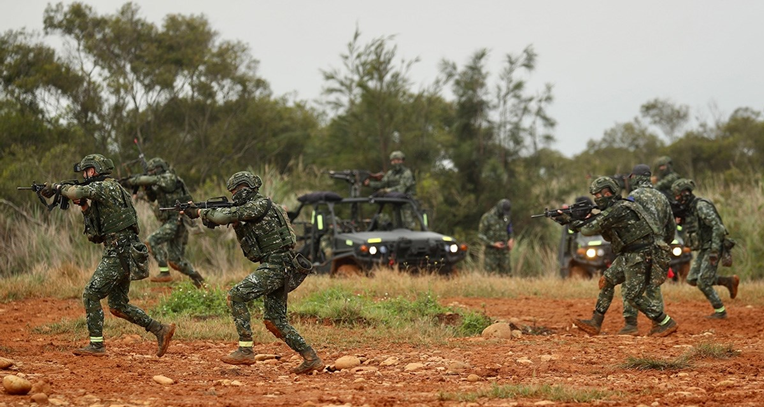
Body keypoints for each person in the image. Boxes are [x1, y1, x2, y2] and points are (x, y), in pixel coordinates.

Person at [184, 171, 323, 374]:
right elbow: (228, 217)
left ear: (249, 188)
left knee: (236, 296)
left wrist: (198, 212)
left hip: (276, 265)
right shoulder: (266, 206)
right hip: (282, 265)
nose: (235, 195)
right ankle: (311, 358)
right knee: (275, 321)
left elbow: (224, 216)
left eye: (237, 190)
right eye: (232, 192)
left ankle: (245, 350)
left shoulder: (258, 205)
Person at [41, 154, 176, 356]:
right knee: (118, 305)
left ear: (93, 170)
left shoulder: (107, 187)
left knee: (91, 293)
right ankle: (160, 329)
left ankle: (96, 345)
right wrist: (84, 207)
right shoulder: (105, 192)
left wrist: (58, 188)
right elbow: (95, 235)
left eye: (86, 171)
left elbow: (77, 190)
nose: (85, 176)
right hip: (123, 251)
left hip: (120, 251)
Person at [558, 176, 678, 337]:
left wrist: (570, 220)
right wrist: (574, 220)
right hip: (629, 254)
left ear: (611, 192)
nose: (598, 199)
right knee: (607, 281)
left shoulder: (620, 209)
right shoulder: (615, 209)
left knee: (632, 297)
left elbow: (589, 230)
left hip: (642, 254)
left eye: (601, 194)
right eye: (596, 196)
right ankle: (595, 322)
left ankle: (665, 322)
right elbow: (600, 227)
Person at [123, 157, 205, 288]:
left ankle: (164, 272)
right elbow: (152, 197)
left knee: (151, 241)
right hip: (170, 221)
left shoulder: (170, 178)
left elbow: (156, 181)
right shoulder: (158, 182)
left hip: (177, 220)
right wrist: (146, 187)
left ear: (158, 169)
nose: (150, 174)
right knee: (175, 260)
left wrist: (134, 180)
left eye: (151, 171)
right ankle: (198, 279)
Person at [617, 164, 675, 335]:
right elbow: (671, 226)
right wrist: (663, 242)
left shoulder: (633, 197)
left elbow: (625, 223)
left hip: (638, 247)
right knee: (654, 285)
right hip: (658, 246)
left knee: (630, 284)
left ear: (635, 177)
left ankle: (631, 325)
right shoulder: (662, 197)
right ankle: (658, 325)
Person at [671, 178, 739, 319]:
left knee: (703, 282)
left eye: (678, 195)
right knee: (692, 278)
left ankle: (720, 311)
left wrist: (714, 250)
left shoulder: (701, 206)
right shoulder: (690, 208)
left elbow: (718, 227)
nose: (677, 199)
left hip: (713, 246)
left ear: (685, 193)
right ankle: (727, 281)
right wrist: (680, 222)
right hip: (705, 247)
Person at [478, 199, 515, 274]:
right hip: (491, 253)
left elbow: (510, 230)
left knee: (507, 275)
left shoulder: (506, 218)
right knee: (489, 275)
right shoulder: (487, 218)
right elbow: (480, 235)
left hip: (504, 252)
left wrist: (511, 239)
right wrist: (493, 244)